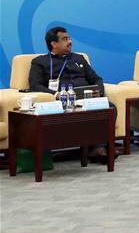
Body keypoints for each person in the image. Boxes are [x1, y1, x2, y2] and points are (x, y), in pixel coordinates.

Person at [29, 26, 115, 162]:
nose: (70, 42)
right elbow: (35, 85)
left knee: (110, 107)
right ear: (54, 44)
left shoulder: (79, 58)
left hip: (87, 99)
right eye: (65, 39)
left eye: (69, 38)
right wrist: (56, 94)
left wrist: (98, 91)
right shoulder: (40, 62)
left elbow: (96, 78)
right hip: (63, 101)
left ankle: (99, 147)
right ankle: (95, 149)